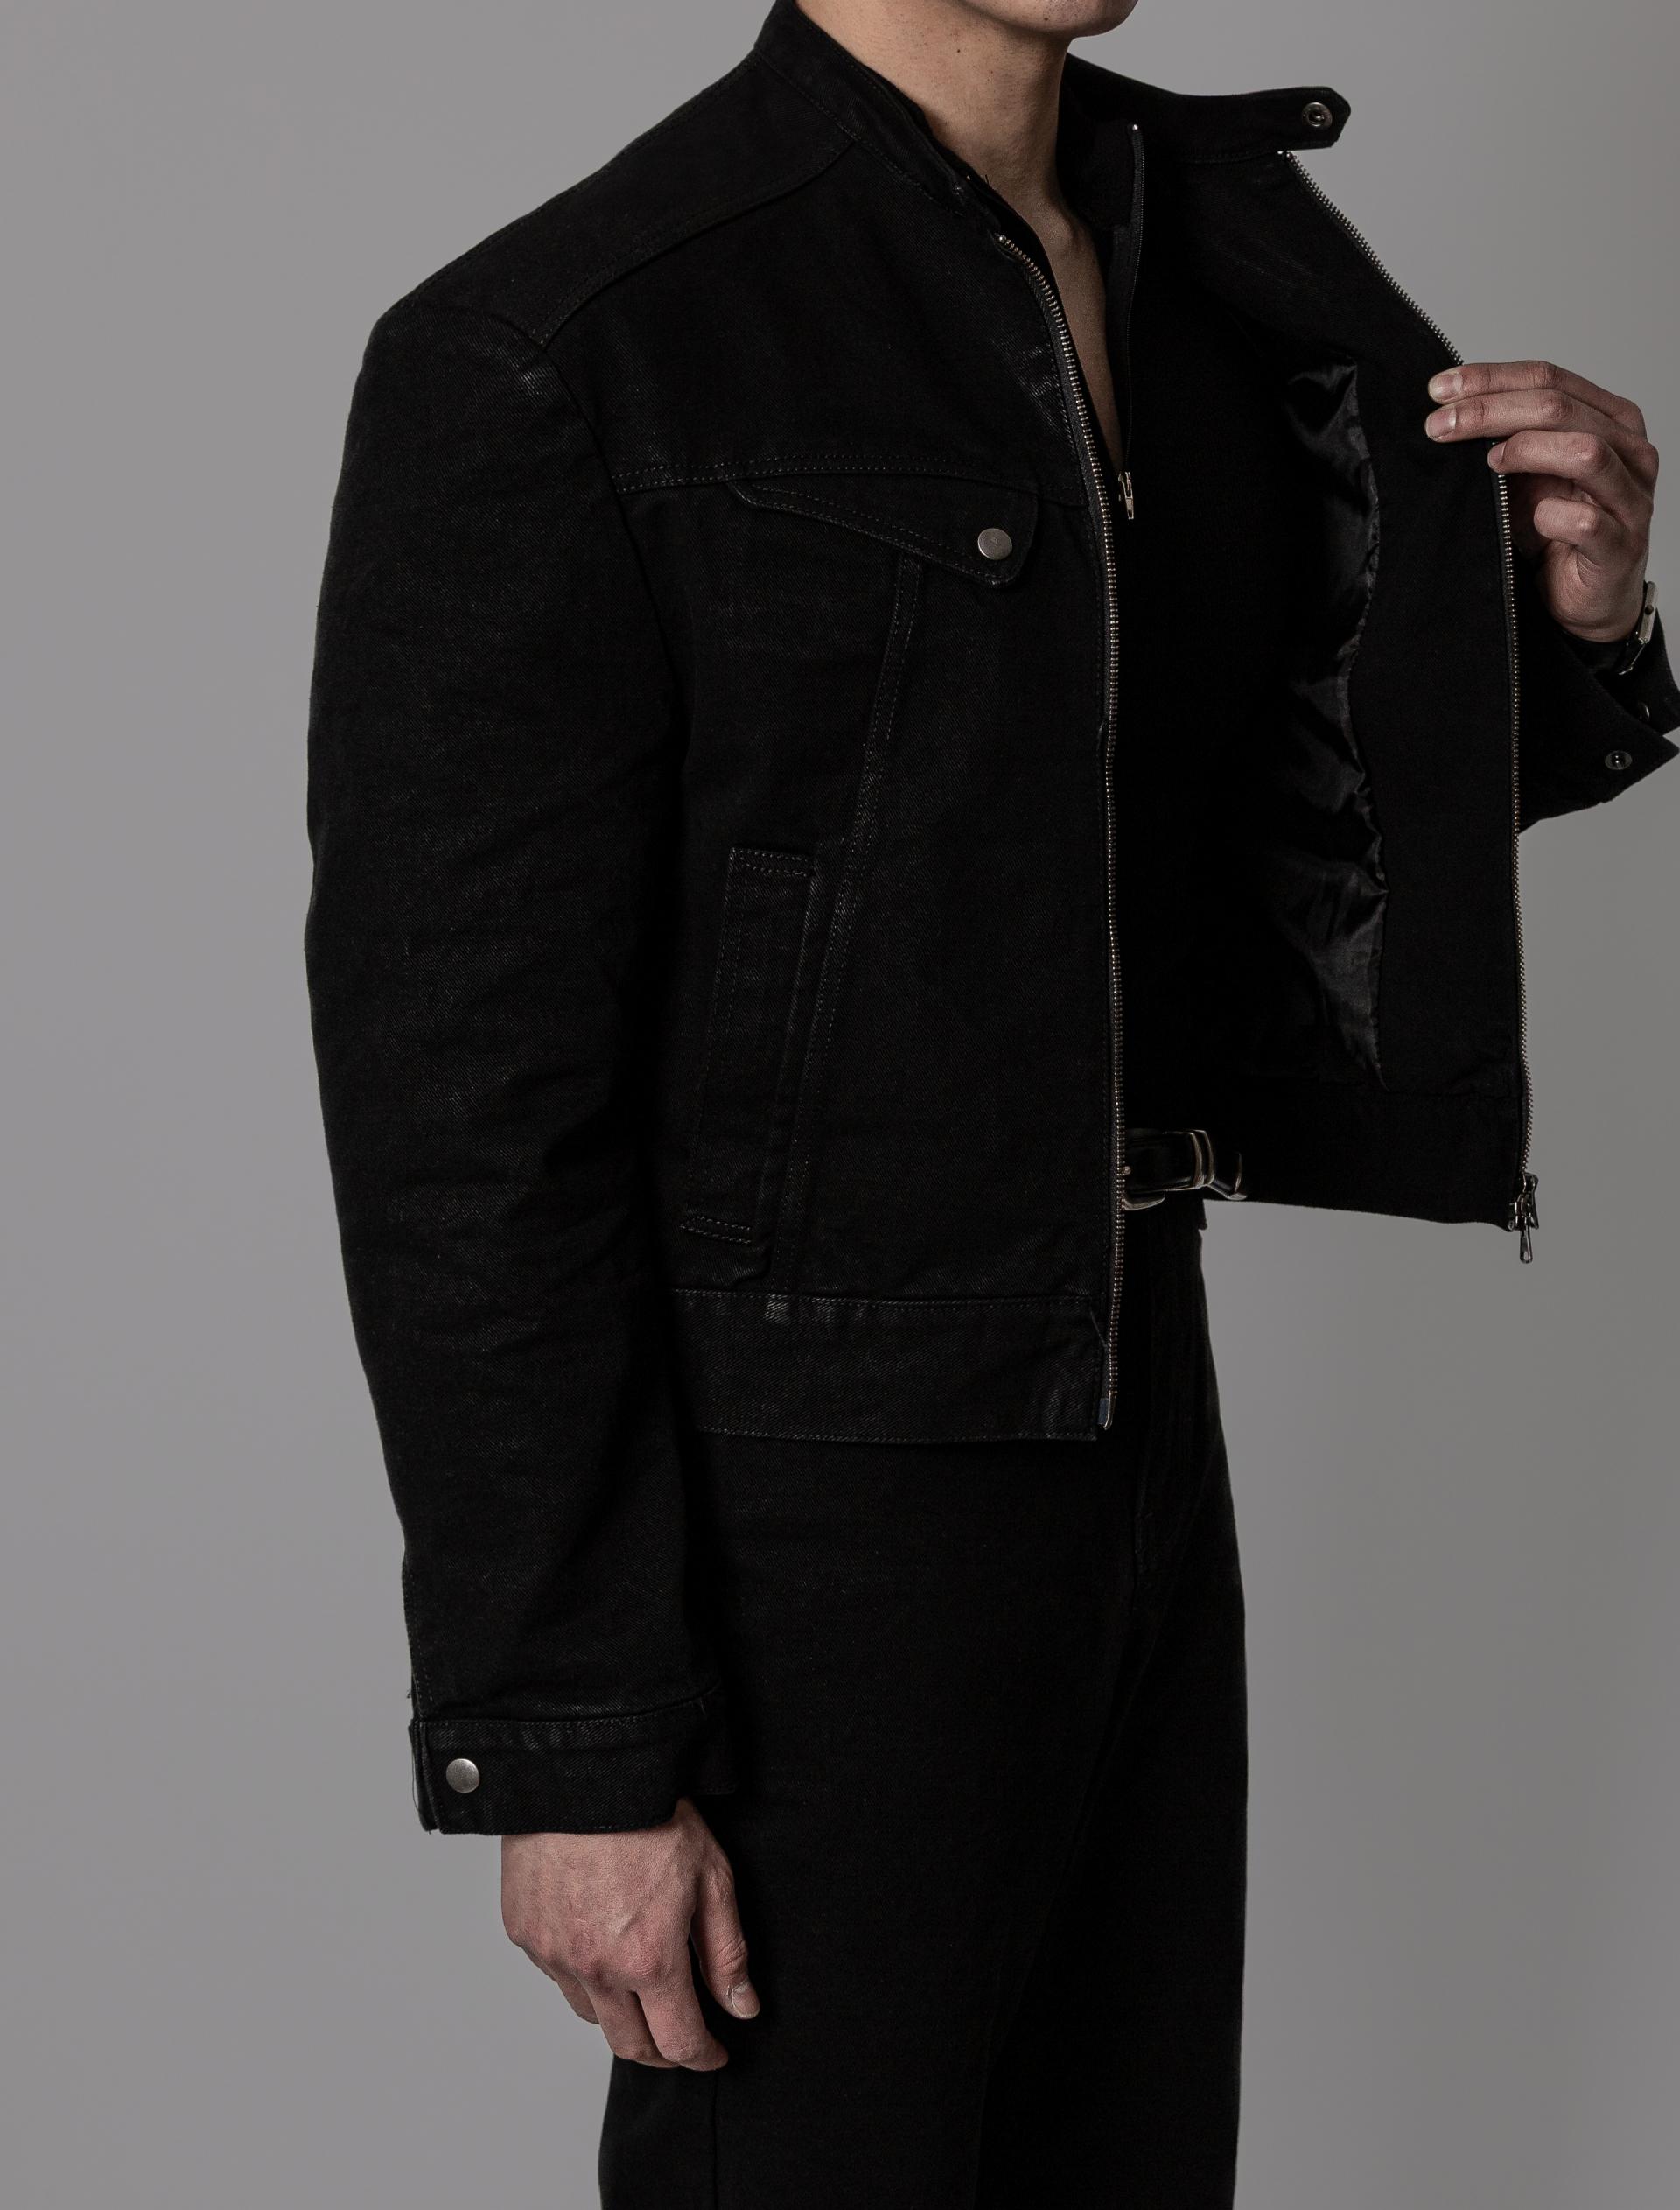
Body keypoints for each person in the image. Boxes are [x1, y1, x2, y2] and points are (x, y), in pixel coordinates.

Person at [304, 1, 1676, 2201]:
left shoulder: (1194, 255)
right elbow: (461, 1117)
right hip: (807, 1510)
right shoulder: (571, 342)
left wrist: (1574, 634)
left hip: (1134, 1400)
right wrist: (567, 1741)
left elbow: (1212, 821)